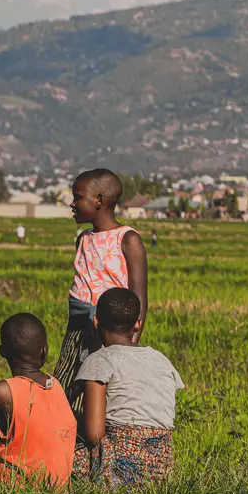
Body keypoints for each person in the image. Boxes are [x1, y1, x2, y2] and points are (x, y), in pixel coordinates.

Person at [53, 168, 148, 416]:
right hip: (78, 328)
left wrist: (130, 344)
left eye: (78, 197)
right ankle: (70, 433)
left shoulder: (127, 239)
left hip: (112, 330)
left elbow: (138, 297)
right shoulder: (83, 239)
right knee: (69, 383)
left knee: (105, 385)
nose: (72, 204)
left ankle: (97, 434)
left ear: (99, 200)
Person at [74, 288, 182, 487]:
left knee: (60, 455)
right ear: (138, 324)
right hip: (160, 468)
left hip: (119, 467)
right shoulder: (161, 360)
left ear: (96, 322)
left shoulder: (99, 360)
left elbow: (94, 434)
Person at [0, 314, 77, 488]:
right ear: (45, 350)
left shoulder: (4, 391)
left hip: (16, 488)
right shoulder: (55, 385)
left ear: (2, 352)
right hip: (57, 487)